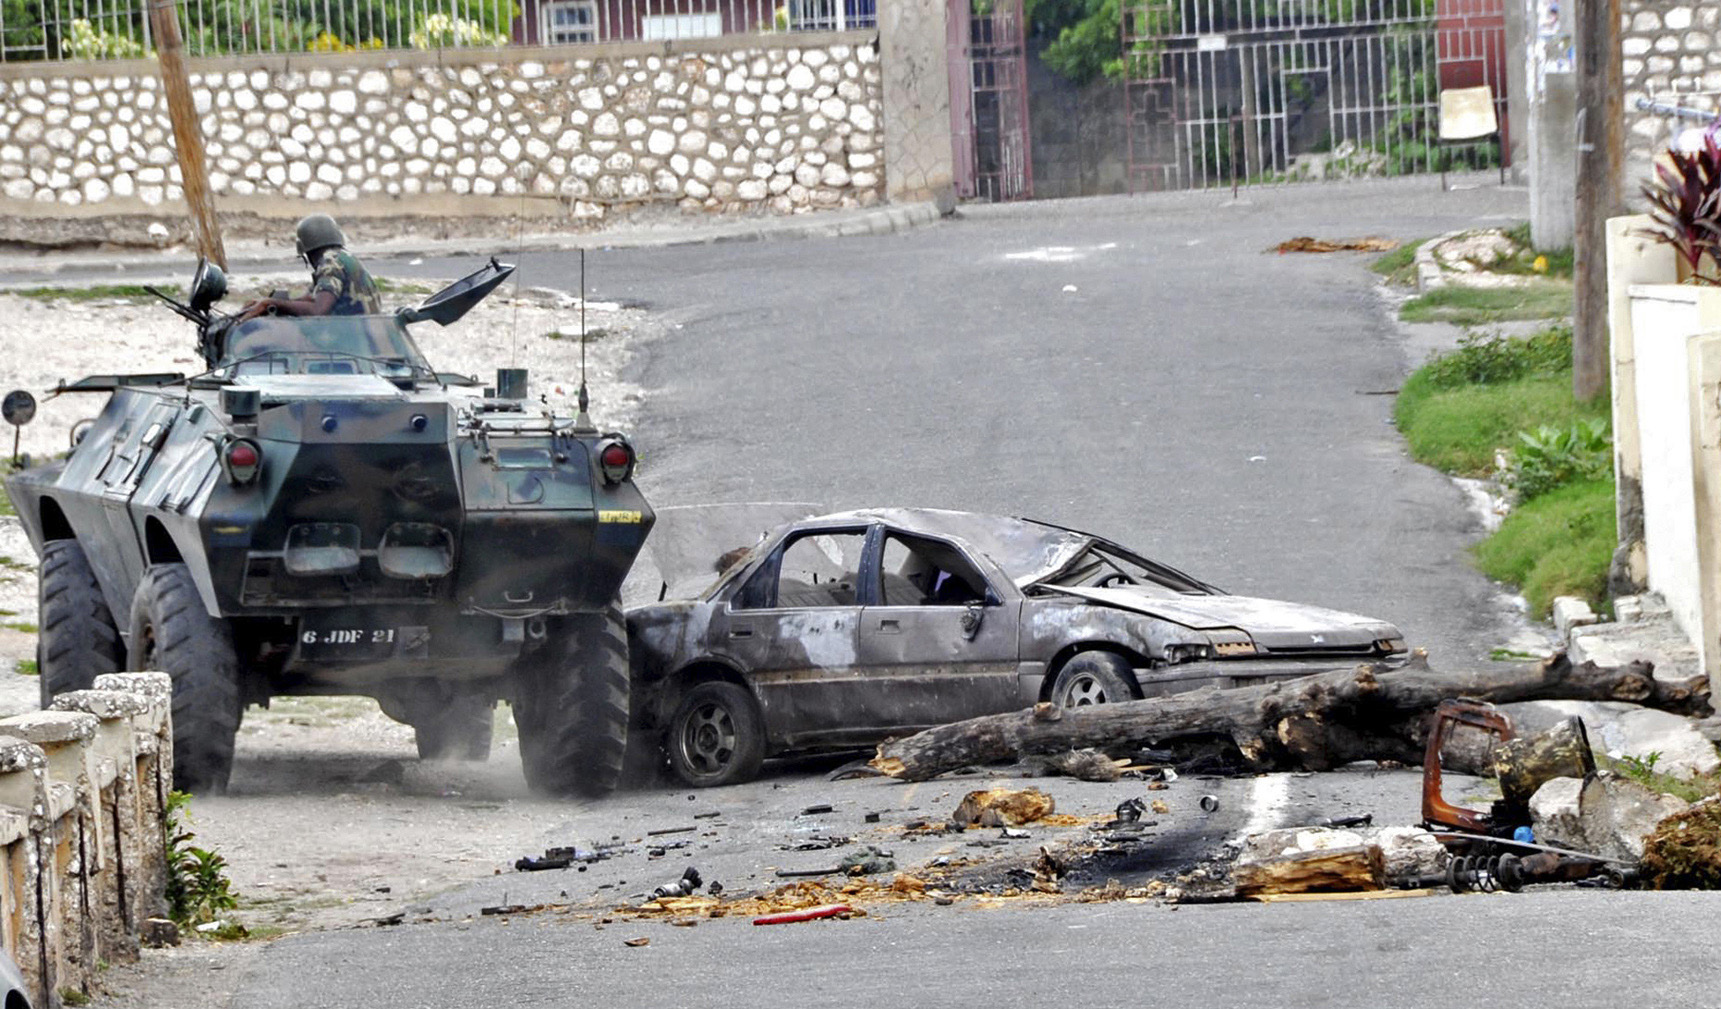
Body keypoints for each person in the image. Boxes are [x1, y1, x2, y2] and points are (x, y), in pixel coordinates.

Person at [237, 214, 381, 321]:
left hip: (352, 342)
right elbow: (312, 298)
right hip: (365, 337)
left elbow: (318, 310)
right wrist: (269, 303)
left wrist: (271, 303)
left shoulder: (331, 262)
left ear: (304, 249)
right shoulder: (343, 257)